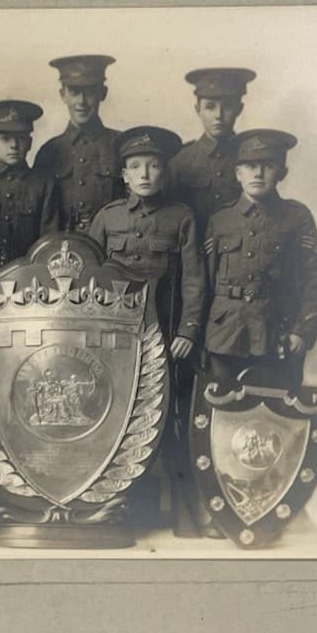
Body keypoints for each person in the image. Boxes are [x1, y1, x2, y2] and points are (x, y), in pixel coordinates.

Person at [88, 126, 207, 531]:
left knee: (169, 420)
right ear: (123, 175)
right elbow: (90, 280)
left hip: (167, 338)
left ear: (165, 173)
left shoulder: (181, 218)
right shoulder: (108, 219)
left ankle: (183, 514)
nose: (145, 174)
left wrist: (188, 331)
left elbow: (194, 279)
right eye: (135, 166)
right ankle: (121, 512)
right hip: (115, 342)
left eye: (154, 166)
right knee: (117, 421)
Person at [203, 129, 317, 392]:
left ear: (282, 172)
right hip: (224, 335)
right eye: (249, 166)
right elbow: (204, 282)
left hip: (276, 335)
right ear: (238, 173)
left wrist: (302, 331)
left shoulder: (296, 217)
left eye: (267, 166)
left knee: (273, 415)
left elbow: (315, 281)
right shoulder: (220, 220)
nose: (258, 174)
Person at [0, 99, 60, 268]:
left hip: (28, 277)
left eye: (20, 138)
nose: (14, 145)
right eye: (5, 138)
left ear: (29, 143)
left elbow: (49, 242)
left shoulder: (43, 184)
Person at [33, 54, 125, 231]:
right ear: (62, 95)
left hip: (110, 248)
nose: (81, 102)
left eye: (90, 91)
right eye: (74, 92)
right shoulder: (49, 152)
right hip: (61, 249)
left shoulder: (121, 146)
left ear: (102, 93)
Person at [168, 66, 257, 233]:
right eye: (210, 106)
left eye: (228, 106)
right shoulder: (180, 161)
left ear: (239, 109)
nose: (219, 115)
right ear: (198, 109)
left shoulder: (252, 159)